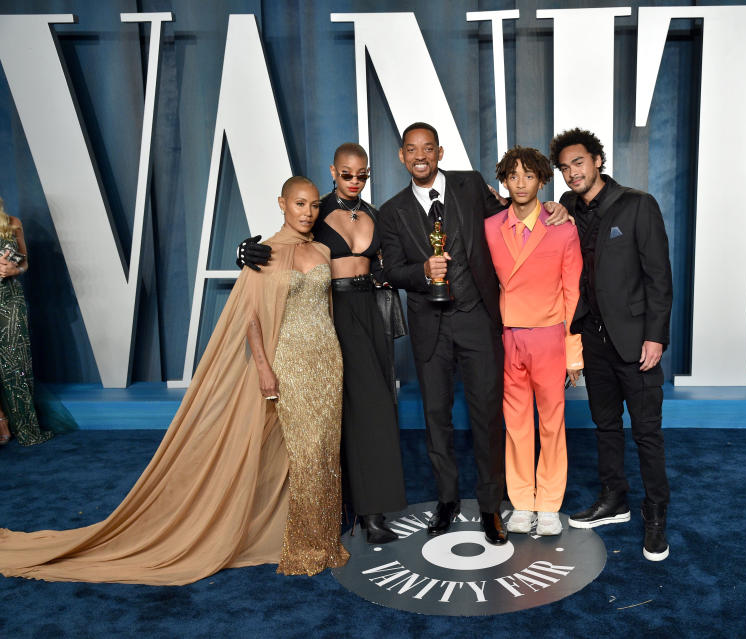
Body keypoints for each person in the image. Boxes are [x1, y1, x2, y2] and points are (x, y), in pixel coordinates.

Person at [0, 177, 349, 584]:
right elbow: (251, 318)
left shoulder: (323, 249)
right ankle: (305, 545)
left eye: (312, 206)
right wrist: (264, 369)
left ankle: (322, 537)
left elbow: (328, 308)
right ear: (282, 204)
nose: (307, 213)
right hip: (286, 362)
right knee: (302, 452)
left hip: (326, 361)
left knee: (323, 449)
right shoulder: (263, 253)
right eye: (299, 204)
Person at [378, 122, 570, 545]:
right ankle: (446, 499)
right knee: (436, 420)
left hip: (479, 322)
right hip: (430, 328)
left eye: (428, 148)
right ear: (402, 157)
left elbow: (513, 211)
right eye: (412, 150)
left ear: (440, 153)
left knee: (487, 417)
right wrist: (421, 272)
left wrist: (559, 208)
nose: (420, 155)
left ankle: (490, 505)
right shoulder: (391, 212)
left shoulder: (469, 185)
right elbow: (390, 269)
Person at [238, 144, 407, 544]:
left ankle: (372, 510)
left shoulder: (375, 215)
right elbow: (280, 248)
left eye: (361, 175)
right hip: (332, 311)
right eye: (346, 174)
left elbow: (396, 258)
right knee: (334, 412)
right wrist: (244, 253)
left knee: (376, 409)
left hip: (373, 310)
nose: (354, 181)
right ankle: (344, 510)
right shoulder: (314, 209)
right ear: (333, 171)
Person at [550, 128, 674, 561]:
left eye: (578, 163)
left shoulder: (637, 204)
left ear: (598, 160)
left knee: (646, 433)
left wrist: (656, 335)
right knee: (605, 426)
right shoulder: (565, 207)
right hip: (593, 340)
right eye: (564, 168)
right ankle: (613, 499)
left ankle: (656, 515)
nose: (571, 173)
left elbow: (659, 276)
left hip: (637, 340)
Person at [483, 147, 583, 537]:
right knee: (517, 425)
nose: (520, 183)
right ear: (503, 182)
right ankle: (523, 501)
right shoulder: (491, 227)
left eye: (529, 176)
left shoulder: (563, 227)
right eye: (513, 176)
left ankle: (549, 505)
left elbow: (573, 292)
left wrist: (574, 354)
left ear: (542, 180)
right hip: (509, 338)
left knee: (553, 424)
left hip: (550, 338)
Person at [0, 197, 56, 446]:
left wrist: (16, 270)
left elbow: (24, 262)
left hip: (10, 301)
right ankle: (2, 421)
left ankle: (26, 427)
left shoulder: (12, 223)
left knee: (15, 364)